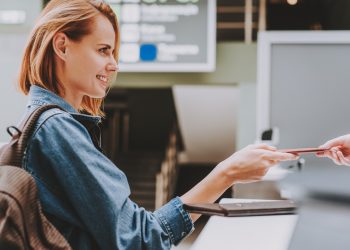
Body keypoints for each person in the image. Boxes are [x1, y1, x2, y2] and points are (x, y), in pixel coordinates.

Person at [17, 0, 297, 249]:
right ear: (62, 45)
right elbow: (141, 240)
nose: (114, 65)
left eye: (113, 52)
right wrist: (226, 173)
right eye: (103, 50)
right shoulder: (57, 130)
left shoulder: (41, 123)